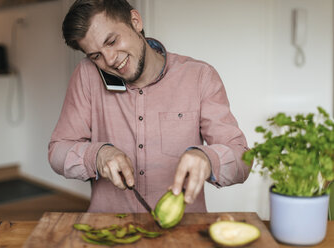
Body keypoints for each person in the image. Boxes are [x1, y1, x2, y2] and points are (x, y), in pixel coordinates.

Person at [48, 0, 250, 213]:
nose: (110, 60)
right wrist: (97, 155)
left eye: (112, 41)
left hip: (182, 232)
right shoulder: (87, 75)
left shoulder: (200, 76)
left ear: (135, 21)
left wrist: (208, 159)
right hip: (110, 230)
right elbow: (57, 151)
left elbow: (242, 161)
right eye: (96, 55)